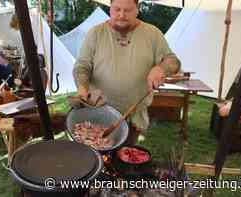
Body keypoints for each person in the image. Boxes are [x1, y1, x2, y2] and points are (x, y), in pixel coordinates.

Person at [73, 0, 181, 145]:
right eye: (117, 9)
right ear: (110, 8)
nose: (121, 15)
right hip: (97, 112)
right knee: (93, 158)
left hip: (132, 114)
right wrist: (82, 88)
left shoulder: (152, 33)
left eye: (128, 10)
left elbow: (173, 61)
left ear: (137, 9)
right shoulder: (96, 33)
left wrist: (161, 68)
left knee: (125, 159)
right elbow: (82, 66)